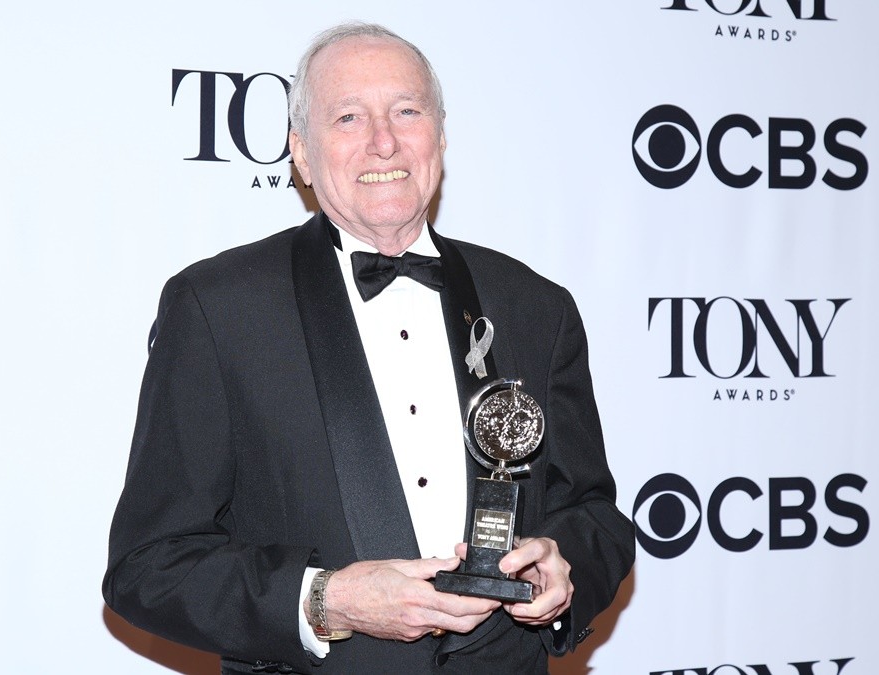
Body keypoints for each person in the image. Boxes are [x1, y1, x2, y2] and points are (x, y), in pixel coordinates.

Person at [103, 22, 634, 674]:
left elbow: (596, 517)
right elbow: (147, 567)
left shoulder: (536, 307)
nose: (384, 140)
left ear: (440, 136)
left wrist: (561, 567)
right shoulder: (218, 310)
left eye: (406, 111)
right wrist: (327, 599)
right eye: (349, 116)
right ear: (301, 152)